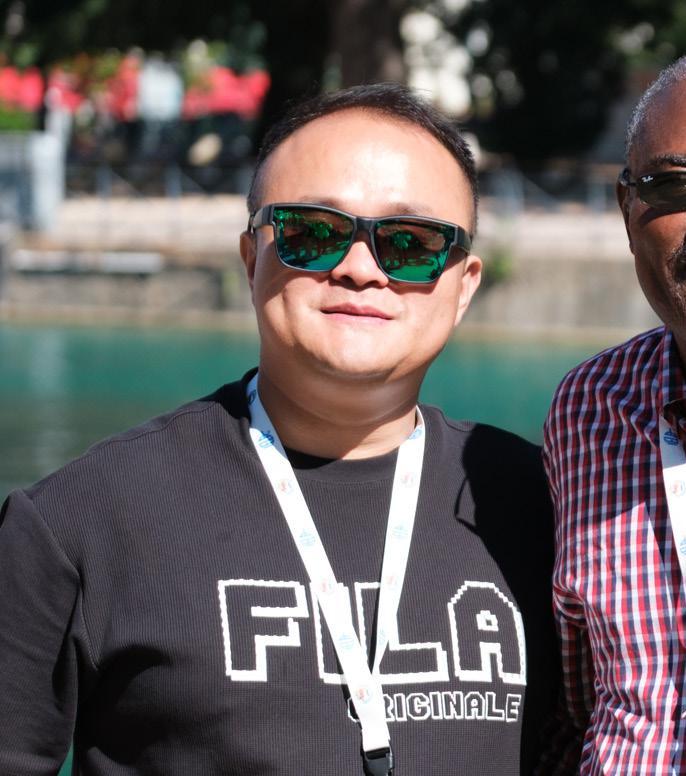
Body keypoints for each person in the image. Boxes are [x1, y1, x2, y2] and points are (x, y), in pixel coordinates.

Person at [0, 83, 558, 775]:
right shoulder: (80, 519)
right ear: (251, 258)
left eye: (410, 244)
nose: (360, 269)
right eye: (313, 234)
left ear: (464, 283)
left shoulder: (549, 510)